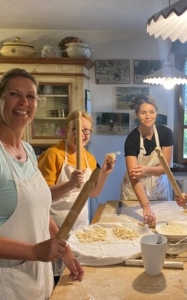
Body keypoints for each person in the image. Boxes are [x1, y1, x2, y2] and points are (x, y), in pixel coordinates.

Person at [0, 68, 84, 299]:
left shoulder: (27, 150)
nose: (23, 102)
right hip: (7, 282)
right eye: (14, 94)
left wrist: (62, 247)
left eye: (30, 96)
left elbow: (37, 210)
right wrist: (34, 250)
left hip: (38, 277)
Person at [38, 110, 115, 281]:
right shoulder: (53, 155)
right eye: (77, 129)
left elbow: (93, 193)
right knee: (56, 279)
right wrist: (70, 184)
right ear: (67, 130)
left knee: (76, 276)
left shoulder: (88, 158)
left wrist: (104, 173)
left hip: (80, 230)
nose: (82, 134)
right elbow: (40, 197)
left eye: (86, 130)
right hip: (54, 228)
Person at [120, 94, 174, 227]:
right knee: (134, 226)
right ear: (137, 115)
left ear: (156, 113)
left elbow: (165, 168)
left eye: (151, 112)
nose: (148, 116)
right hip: (135, 191)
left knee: (162, 225)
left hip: (158, 187)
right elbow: (134, 176)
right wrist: (145, 205)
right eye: (143, 113)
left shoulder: (166, 134)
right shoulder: (132, 139)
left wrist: (146, 170)